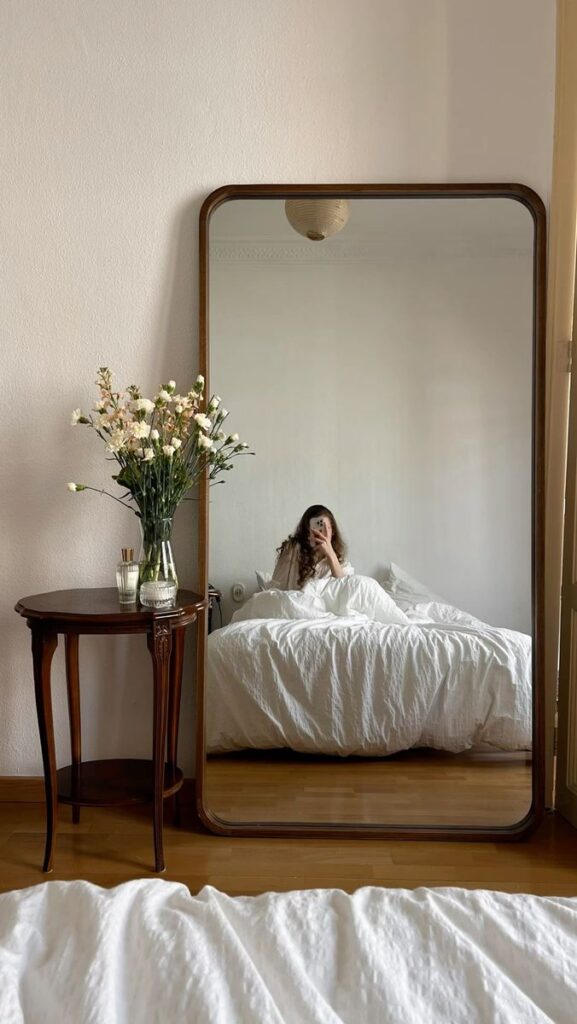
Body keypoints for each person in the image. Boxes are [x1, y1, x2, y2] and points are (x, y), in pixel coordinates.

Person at [272, 504, 354, 590]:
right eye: (317, 528)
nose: (321, 533)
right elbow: (276, 587)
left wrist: (331, 555)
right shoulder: (293, 549)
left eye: (326, 527)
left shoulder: (342, 563)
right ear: (307, 531)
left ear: (332, 531)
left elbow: (345, 592)